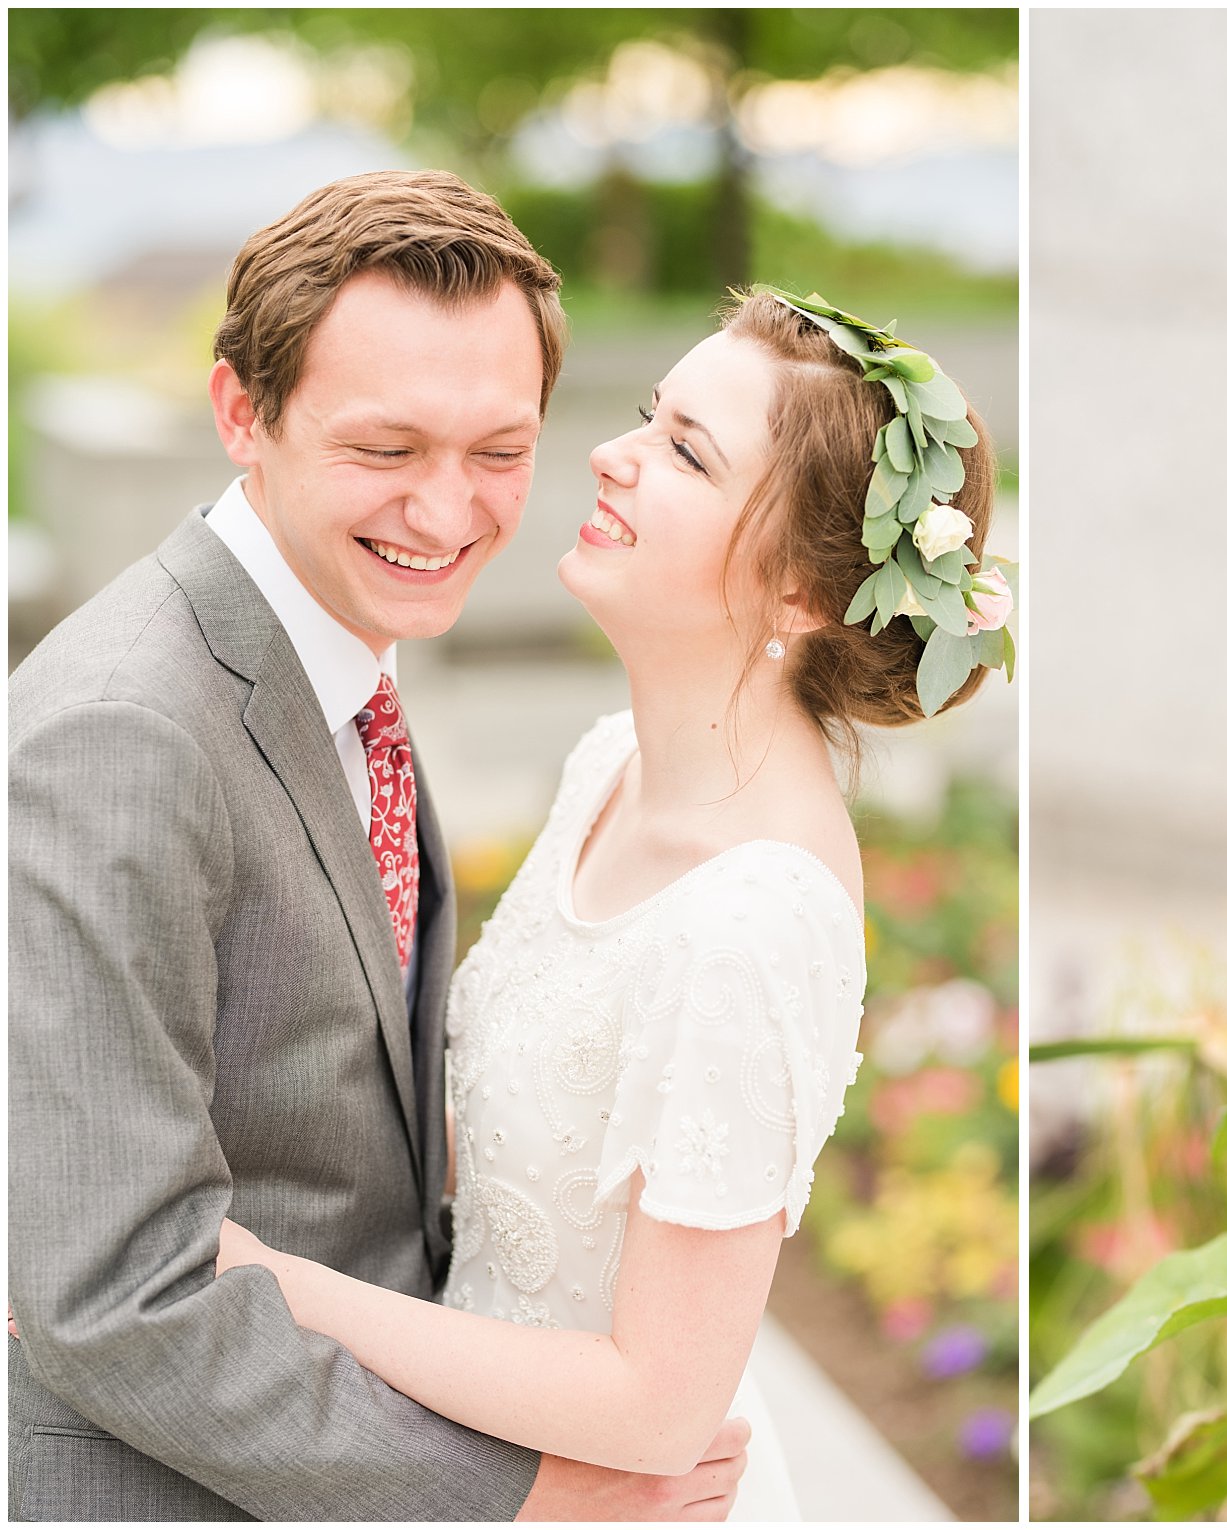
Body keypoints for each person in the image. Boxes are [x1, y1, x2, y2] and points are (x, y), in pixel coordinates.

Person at [9, 170, 748, 1520]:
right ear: (244, 412)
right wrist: (514, 1491)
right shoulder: (123, 735)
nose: (448, 511)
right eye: (386, 449)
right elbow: (106, 1282)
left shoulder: (334, 658)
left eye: (499, 450)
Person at [208, 284, 1015, 1520]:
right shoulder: (606, 768)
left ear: (801, 592)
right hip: (473, 1458)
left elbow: (658, 1406)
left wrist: (268, 1280)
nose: (611, 455)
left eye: (685, 451)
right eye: (651, 415)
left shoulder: (752, 918)